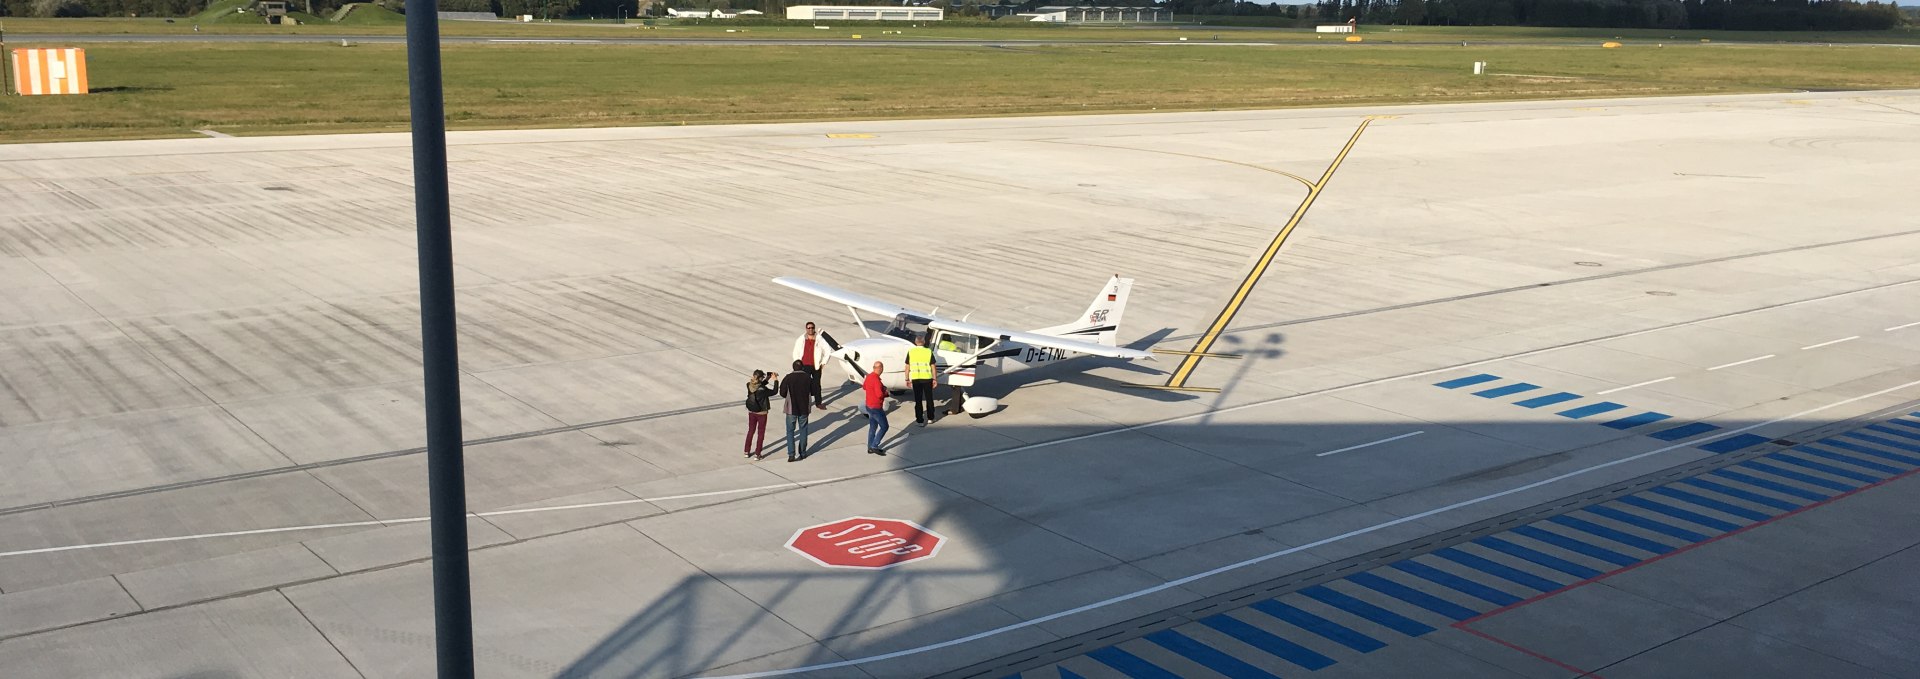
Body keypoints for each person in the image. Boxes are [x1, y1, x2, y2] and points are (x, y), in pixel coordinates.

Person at [778, 360, 815, 462]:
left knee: (790, 431)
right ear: (802, 368)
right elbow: (813, 391)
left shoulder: (788, 377)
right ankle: (802, 453)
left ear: (793, 367)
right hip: (804, 409)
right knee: (803, 430)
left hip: (791, 408)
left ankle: (791, 454)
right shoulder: (808, 378)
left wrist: (788, 397)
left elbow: (782, 392)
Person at [792, 322, 829, 409]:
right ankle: (805, 403)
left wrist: (823, 362)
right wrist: (797, 364)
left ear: (814, 328)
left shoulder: (820, 339)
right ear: (806, 329)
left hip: (816, 366)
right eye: (808, 328)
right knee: (804, 385)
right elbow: (795, 352)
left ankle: (818, 402)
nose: (810, 329)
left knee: (817, 385)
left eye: (812, 328)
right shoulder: (801, 339)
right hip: (804, 366)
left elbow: (828, 350)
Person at [743, 369, 779, 459]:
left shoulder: (749, 385)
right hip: (762, 413)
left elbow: (759, 386)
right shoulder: (763, 389)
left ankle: (746, 451)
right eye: (762, 377)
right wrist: (775, 380)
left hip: (751, 412)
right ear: (759, 378)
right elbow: (774, 391)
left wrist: (767, 378)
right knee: (761, 433)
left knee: (751, 431)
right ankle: (757, 454)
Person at [907, 333, 936, 425]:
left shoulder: (911, 352)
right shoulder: (928, 351)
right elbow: (933, 367)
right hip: (927, 378)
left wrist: (907, 379)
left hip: (916, 379)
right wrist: (934, 379)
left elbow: (907, 367)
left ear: (915, 342)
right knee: (929, 398)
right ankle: (931, 418)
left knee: (918, 400)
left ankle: (920, 420)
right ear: (923, 342)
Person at [862, 360, 889, 456]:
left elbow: (864, 387)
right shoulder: (876, 380)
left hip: (869, 406)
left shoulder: (869, 376)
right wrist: (886, 393)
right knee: (884, 426)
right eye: (882, 367)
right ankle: (874, 446)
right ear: (880, 368)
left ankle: (870, 447)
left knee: (873, 427)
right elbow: (879, 394)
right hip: (876, 407)